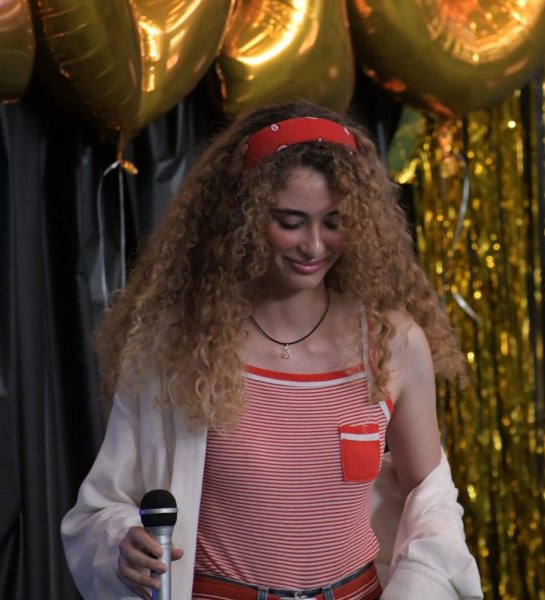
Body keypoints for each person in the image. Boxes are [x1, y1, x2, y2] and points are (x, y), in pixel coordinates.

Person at [61, 100, 483, 600]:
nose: (314, 245)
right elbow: (105, 504)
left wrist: (420, 585)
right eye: (291, 221)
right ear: (245, 216)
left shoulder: (393, 343)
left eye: (334, 221)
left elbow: (430, 496)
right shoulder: (178, 345)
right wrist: (120, 543)